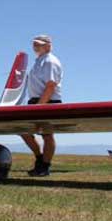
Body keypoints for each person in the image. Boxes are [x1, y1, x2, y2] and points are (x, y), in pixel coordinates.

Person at [20, 34, 63, 177]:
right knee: (24, 131)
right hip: (35, 100)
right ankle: (40, 159)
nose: (36, 46)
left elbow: (51, 86)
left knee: (47, 135)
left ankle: (44, 166)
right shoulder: (39, 61)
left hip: (47, 101)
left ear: (48, 46)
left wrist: (40, 106)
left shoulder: (50, 61)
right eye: (34, 44)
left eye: (39, 44)